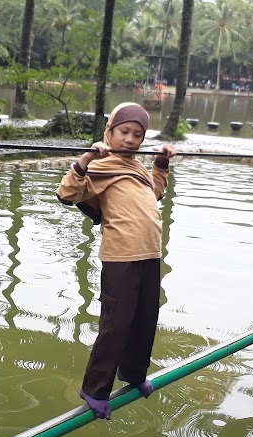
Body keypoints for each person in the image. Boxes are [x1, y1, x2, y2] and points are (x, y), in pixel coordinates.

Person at [55, 102, 177, 420]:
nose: (130, 139)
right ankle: (95, 389)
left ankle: (134, 373)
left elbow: (157, 192)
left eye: (137, 134)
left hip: (150, 254)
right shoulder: (102, 165)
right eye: (124, 132)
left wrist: (161, 164)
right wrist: (85, 160)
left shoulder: (136, 168)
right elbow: (66, 193)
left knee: (146, 316)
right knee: (116, 323)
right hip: (121, 255)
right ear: (110, 132)